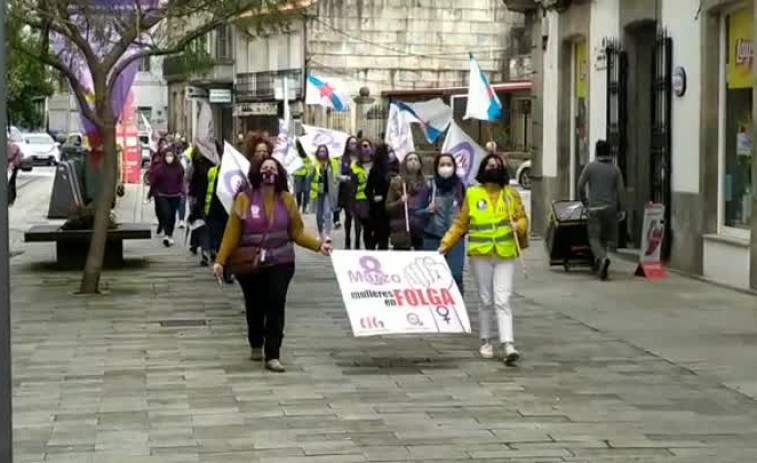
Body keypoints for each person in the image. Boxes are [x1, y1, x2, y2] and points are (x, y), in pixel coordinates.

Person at [213, 157, 332, 372]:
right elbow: (232, 233)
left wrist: (318, 245)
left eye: (273, 168)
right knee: (255, 305)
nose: (268, 171)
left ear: (279, 174)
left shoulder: (286, 199)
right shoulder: (244, 199)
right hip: (251, 264)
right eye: (265, 168)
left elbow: (296, 232)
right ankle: (256, 341)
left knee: (276, 303)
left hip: (281, 261)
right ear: (257, 172)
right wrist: (220, 261)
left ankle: (273, 354)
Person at [440, 154, 528, 365]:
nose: (493, 168)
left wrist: (519, 226)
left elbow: (523, 217)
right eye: (489, 165)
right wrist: (445, 244)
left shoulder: (511, 195)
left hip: (505, 252)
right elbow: (461, 224)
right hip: (480, 254)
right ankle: (486, 339)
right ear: (482, 168)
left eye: (497, 165)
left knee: (503, 299)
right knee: (485, 299)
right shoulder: (472, 194)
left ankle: (508, 344)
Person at [577, 140, 626, 281]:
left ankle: (602, 259)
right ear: (610, 153)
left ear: (596, 152)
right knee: (604, 238)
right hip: (610, 210)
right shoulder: (615, 170)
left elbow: (580, 186)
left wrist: (585, 202)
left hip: (594, 209)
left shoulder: (590, 167)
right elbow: (621, 191)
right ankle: (600, 265)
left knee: (593, 238)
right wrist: (622, 209)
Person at [418, 153, 466, 292]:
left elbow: (467, 210)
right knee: (432, 277)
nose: (446, 168)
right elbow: (415, 212)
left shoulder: (460, 187)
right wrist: (427, 210)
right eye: (442, 164)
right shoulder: (429, 186)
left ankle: (457, 307)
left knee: (455, 276)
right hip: (432, 236)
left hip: (455, 238)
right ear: (436, 167)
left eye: (449, 164)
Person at [386, 151, 426, 250]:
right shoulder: (397, 183)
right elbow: (388, 207)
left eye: (416, 159)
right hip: (402, 228)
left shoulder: (425, 184)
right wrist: (400, 201)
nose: (413, 162)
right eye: (410, 159)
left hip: (420, 229)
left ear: (420, 164)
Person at [149, 148, 186, 247]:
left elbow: (181, 181)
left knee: (172, 216)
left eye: (171, 156)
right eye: (167, 156)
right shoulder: (159, 169)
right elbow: (154, 183)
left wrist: (182, 192)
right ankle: (166, 235)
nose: (169, 158)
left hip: (175, 195)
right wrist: (150, 194)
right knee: (166, 213)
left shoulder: (178, 167)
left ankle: (169, 234)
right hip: (162, 195)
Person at [201, 141, 230, 266]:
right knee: (215, 235)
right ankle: (216, 255)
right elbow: (205, 189)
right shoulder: (212, 171)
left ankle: (223, 261)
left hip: (228, 210)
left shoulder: (231, 173)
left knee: (225, 238)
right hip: (213, 210)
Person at [365, 144, 398, 250]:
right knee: (374, 235)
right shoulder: (375, 170)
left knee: (384, 237)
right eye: (388, 152)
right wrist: (373, 197)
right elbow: (368, 189)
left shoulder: (395, 168)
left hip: (389, 207)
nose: (390, 154)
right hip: (378, 208)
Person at [309, 145, 339, 243]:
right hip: (318, 192)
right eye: (320, 151)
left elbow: (337, 175)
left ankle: (327, 234)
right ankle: (320, 233)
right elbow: (309, 177)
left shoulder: (331, 163)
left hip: (328, 191)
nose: (322, 153)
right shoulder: (314, 163)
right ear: (317, 153)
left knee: (327, 213)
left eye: (324, 151)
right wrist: (313, 170)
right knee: (319, 214)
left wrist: (344, 179)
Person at [349, 139, 374, 249]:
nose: (366, 149)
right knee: (362, 227)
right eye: (363, 146)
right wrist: (352, 204)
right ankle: (358, 245)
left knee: (372, 228)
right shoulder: (355, 166)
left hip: (375, 200)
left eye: (367, 146)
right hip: (361, 200)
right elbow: (352, 186)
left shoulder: (376, 164)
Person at [334, 136, 359, 240]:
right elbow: (337, 175)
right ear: (347, 145)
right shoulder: (342, 159)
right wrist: (346, 178)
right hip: (346, 191)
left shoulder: (360, 159)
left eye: (355, 143)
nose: (353, 145)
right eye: (351, 143)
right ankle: (347, 238)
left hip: (358, 191)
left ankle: (357, 240)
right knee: (348, 215)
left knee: (358, 217)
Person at [293, 141, 312, 214]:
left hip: (307, 173)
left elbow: (311, 160)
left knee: (306, 191)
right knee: (298, 191)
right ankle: (298, 204)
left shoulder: (308, 150)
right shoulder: (295, 151)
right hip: (298, 173)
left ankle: (304, 207)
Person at [7, 141, 21, 207]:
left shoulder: (12, 147)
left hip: (10, 166)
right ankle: (11, 199)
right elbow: (19, 157)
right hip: (13, 166)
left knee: (10, 183)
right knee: (11, 182)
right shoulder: (15, 146)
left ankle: (10, 200)